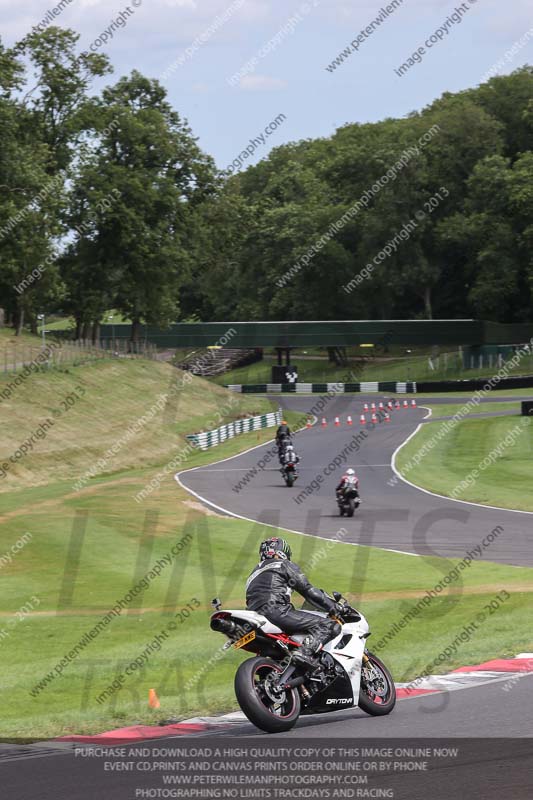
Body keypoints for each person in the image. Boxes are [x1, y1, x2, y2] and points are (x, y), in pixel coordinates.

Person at [246, 537, 342, 670]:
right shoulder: (282, 564)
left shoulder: (252, 575)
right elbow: (309, 591)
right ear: (281, 552)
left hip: (256, 618)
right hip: (277, 612)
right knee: (330, 626)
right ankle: (304, 653)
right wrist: (334, 607)